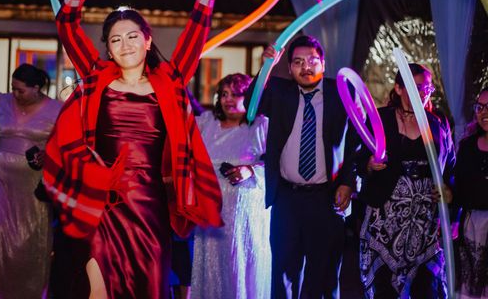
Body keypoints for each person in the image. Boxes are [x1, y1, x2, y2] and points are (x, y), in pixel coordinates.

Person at [43, 0, 239, 299]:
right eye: (115, 39)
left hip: (150, 208)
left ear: (148, 41)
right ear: (109, 49)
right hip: (101, 205)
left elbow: (199, 24)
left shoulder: (171, 80)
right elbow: (67, 19)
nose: (124, 43)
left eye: (132, 35)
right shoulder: (95, 77)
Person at [244, 35, 357, 299]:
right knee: (283, 274)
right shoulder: (281, 92)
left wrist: (348, 183)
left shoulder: (342, 93)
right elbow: (252, 103)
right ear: (289, 67)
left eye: (312, 61)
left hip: (326, 199)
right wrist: (267, 67)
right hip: (287, 199)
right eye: (297, 62)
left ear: (323, 63)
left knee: (325, 276)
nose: (305, 67)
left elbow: (356, 143)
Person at [357, 63, 455, 298]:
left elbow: (451, 166)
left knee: (427, 288)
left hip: (425, 221)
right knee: (385, 290)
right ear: (399, 88)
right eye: (416, 87)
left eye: (427, 89)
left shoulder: (437, 123)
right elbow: (358, 158)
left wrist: (449, 191)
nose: (422, 93)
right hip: (386, 219)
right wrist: (369, 164)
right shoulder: (380, 118)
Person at [0, 64, 62, 299]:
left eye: (21, 90)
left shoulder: (56, 110)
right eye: (13, 88)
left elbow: (63, 146)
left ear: (36, 88)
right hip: (0, 179)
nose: (15, 94)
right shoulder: (2, 102)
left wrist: (49, 155)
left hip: (34, 184)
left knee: (30, 239)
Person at [191, 73, 271, 299]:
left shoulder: (260, 126)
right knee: (211, 270)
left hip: (246, 217)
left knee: (241, 269)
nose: (227, 99)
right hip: (211, 213)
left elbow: (278, 166)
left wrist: (250, 170)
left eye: (235, 94)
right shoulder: (206, 123)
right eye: (224, 94)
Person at [453, 88, 488, 299]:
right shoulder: (467, 146)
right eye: (480, 107)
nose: (484, 112)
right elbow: (460, 190)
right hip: (472, 228)